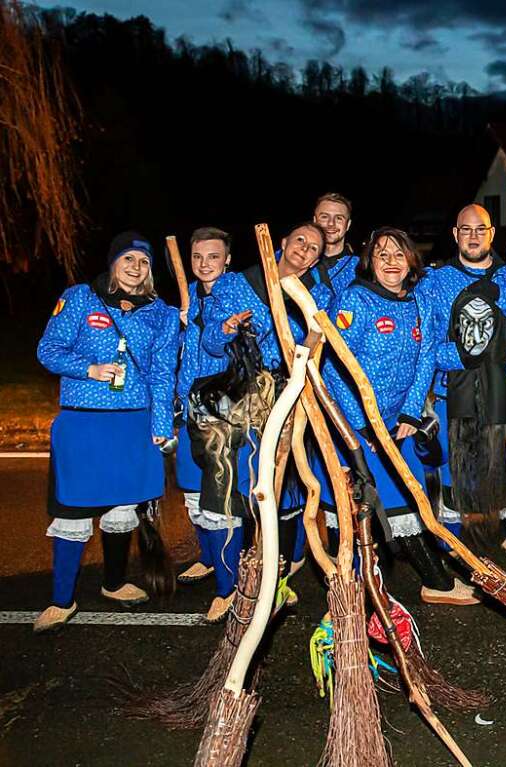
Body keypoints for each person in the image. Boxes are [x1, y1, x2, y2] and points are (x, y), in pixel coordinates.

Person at [34, 232, 178, 632]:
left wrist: (161, 425)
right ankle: (61, 599)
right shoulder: (80, 298)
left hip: (134, 423)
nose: (136, 268)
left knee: (122, 508)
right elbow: (48, 350)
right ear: (113, 263)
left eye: (144, 262)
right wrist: (89, 370)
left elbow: (164, 374)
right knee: (73, 510)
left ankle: (113, 583)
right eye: (128, 259)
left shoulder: (162, 314)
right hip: (84, 421)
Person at [326, 227, 478, 605]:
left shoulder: (418, 304)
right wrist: (361, 427)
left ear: (411, 260)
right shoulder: (355, 301)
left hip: (396, 423)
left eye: (399, 254)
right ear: (370, 261)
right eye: (382, 254)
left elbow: (425, 358)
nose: (391, 262)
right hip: (355, 425)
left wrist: (410, 412)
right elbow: (333, 367)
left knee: (408, 500)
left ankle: (375, 584)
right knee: (378, 504)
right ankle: (427, 585)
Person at [203, 221, 337, 602]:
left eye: (314, 248)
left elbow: (313, 348)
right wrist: (227, 328)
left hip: (286, 397)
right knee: (235, 488)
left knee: (283, 489)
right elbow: (210, 342)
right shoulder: (237, 283)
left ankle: (276, 582)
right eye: (300, 241)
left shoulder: (315, 295)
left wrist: (311, 341)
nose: (304, 250)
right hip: (237, 399)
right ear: (283, 242)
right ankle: (230, 588)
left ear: (316, 258)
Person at [418, 205, 506, 564]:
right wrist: (465, 354)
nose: (473, 236)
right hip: (454, 391)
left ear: (491, 233)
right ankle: (454, 549)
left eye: (481, 229)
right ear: (456, 235)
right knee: (456, 475)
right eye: (466, 230)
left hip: (505, 388)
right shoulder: (434, 281)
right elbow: (426, 345)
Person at [173, 227, 243, 623]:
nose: (204, 264)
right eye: (197, 257)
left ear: (227, 258)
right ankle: (210, 559)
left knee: (221, 500)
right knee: (194, 493)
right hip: (188, 409)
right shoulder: (189, 297)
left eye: (213, 256)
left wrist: (219, 326)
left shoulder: (232, 292)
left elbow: (217, 342)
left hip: (220, 410)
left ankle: (228, 588)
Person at [314, 192, 357, 286]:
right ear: (315, 221)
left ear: (348, 225)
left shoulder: (360, 268)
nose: (331, 223)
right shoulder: (297, 259)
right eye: (324, 217)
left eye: (339, 218)